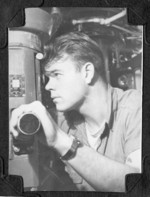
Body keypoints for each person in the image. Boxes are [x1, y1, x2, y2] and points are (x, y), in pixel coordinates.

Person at [10, 32, 142, 192]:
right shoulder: (60, 120)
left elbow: (139, 186)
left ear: (87, 73)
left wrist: (61, 141)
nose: (48, 86)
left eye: (56, 74)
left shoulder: (136, 108)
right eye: (47, 78)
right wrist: (22, 137)